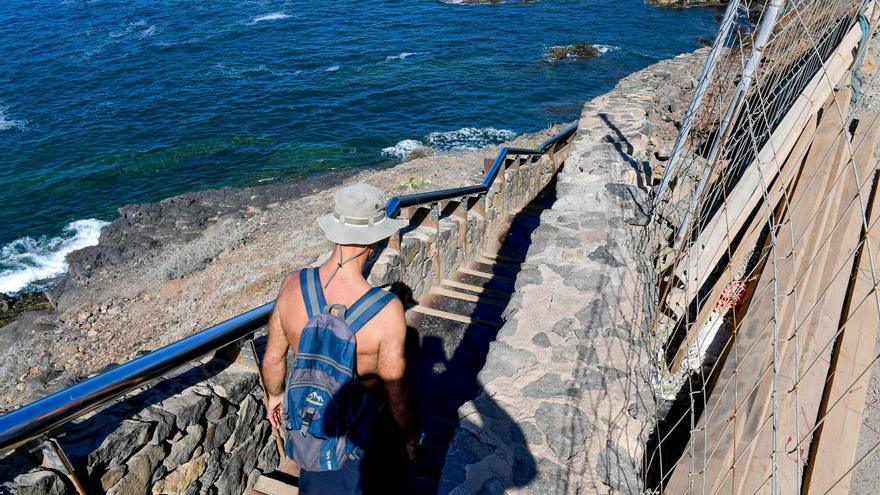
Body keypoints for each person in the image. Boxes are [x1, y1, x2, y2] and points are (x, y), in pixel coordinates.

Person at [261, 183, 419, 494]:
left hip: (314, 421)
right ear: (375, 240)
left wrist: (275, 397)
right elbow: (397, 394)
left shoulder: (293, 285)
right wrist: (411, 439)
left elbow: (274, 358)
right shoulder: (387, 311)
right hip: (363, 432)